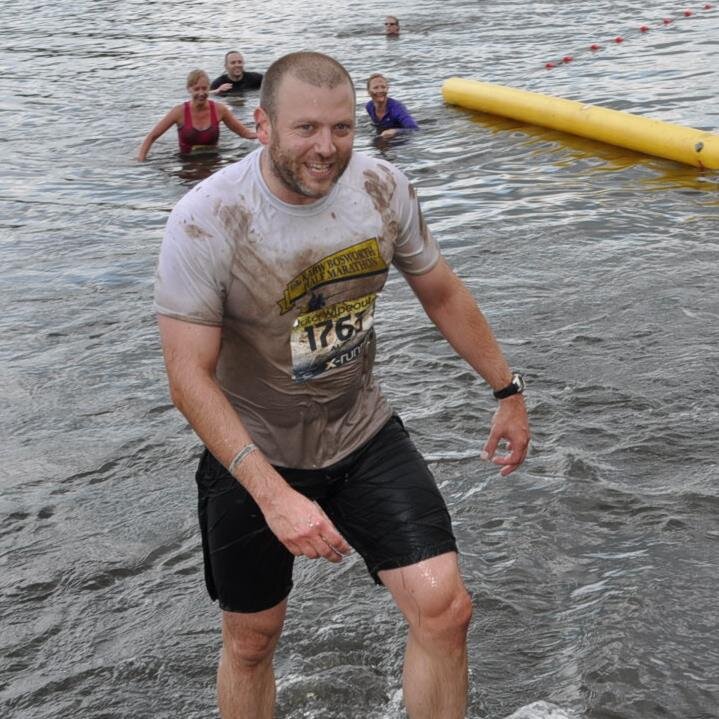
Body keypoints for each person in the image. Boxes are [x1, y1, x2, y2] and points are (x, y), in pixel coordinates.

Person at [154, 51, 530, 719]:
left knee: (445, 608)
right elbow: (187, 376)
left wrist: (506, 389)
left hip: (359, 430)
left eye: (340, 128)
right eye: (305, 129)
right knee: (250, 639)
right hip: (252, 449)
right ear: (262, 124)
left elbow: (439, 290)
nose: (325, 148)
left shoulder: (383, 189)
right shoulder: (205, 219)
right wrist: (272, 496)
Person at [137, 69, 257, 160]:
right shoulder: (178, 112)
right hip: (186, 162)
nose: (201, 93)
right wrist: (141, 161)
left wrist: (268, 134)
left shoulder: (220, 110)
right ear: (189, 89)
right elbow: (152, 137)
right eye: (196, 89)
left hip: (213, 161)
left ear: (209, 88)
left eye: (204, 89)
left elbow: (244, 133)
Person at [365, 72, 419, 139]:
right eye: (375, 88)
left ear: (387, 89)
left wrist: (395, 131)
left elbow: (414, 129)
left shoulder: (397, 108)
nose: (380, 90)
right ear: (368, 91)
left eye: (383, 87)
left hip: (401, 141)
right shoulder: (369, 107)